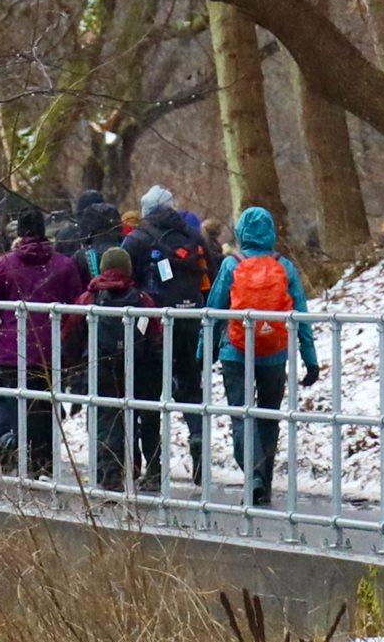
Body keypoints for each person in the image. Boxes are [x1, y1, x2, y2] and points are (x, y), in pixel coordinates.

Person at [205, 206, 321, 506]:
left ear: (241, 233)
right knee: (269, 417)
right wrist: (310, 359)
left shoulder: (232, 264)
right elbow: (301, 315)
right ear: (271, 231)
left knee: (242, 415)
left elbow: (214, 311)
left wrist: (203, 352)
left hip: (236, 351)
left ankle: (253, 475)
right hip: (274, 352)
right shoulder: (285, 267)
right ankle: (264, 481)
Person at [0, 209, 87, 477]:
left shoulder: (5, 264)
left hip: (12, 349)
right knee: (43, 406)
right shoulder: (64, 265)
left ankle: (17, 456)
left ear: (20, 233)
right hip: (49, 349)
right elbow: (77, 305)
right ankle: (43, 462)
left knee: (14, 405)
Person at [121, 185, 218, 481]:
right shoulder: (193, 237)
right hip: (190, 321)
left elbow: (124, 279)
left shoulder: (136, 240)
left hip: (153, 328)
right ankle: (198, 435)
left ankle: (154, 466)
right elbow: (211, 275)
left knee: (149, 396)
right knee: (190, 386)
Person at [75, 246, 164, 491]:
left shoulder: (89, 299)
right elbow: (157, 336)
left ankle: (112, 472)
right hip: (139, 368)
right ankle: (154, 470)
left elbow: (70, 333)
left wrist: (75, 366)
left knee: (107, 418)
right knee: (147, 418)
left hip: (101, 368)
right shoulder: (142, 299)